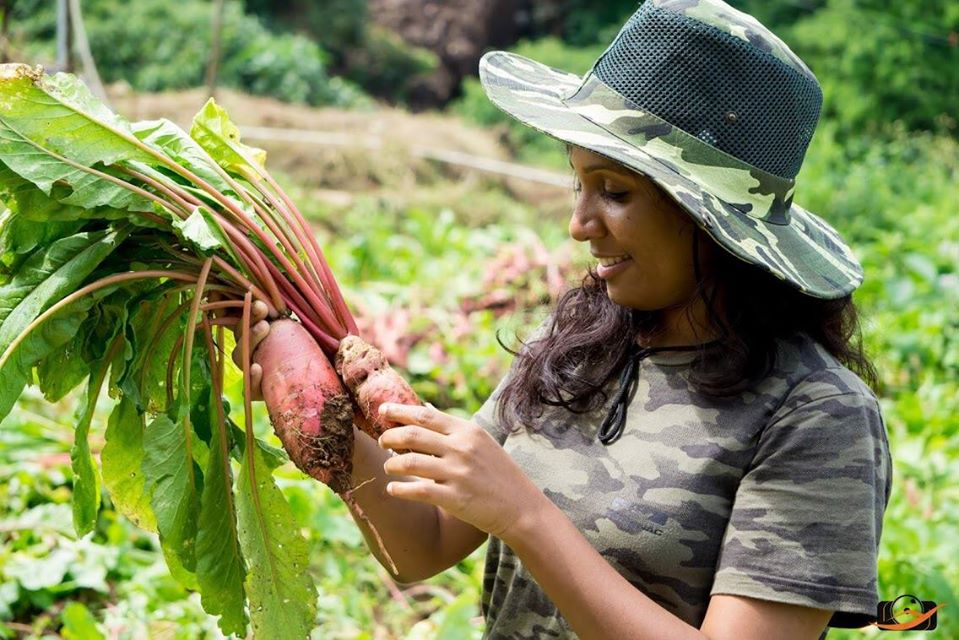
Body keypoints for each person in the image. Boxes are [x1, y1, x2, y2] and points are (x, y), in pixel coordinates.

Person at [238, 1, 892, 638]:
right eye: (577, 184)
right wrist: (305, 392)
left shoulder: (814, 416)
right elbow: (423, 548)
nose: (578, 225)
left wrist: (525, 514)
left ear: (707, 216)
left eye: (614, 192)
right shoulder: (580, 349)